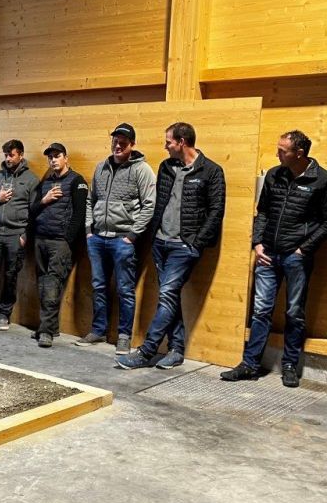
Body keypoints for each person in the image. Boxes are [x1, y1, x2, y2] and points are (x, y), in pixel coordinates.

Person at [221, 130, 327, 387]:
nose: (278, 153)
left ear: (299, 153)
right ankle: (250, 364)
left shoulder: (324, 180)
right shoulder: (275, 175)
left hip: (296, 256)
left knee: (294, 312)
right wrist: (257, 242)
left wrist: (304, 249)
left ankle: (289, 366)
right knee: (260, 310)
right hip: (268, 254)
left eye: (283, 150)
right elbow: (262, 211)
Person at [117, 122, 226, 369]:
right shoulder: (166, 167)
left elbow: (216, 211)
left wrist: (195, 243)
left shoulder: (211, 171)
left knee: (166, 294)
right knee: (170, 294)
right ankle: (176, 350)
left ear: (182, 142)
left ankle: (146, 352)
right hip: (160, 242)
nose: (165, 147)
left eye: (168, 142)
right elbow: (159, 202)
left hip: (184, 246)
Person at [77, 122, 156, 353]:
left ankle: (124, 335)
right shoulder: (101, 167)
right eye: (115, 141)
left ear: (132, 144)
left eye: (123, 142)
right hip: (97, 238)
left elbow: (149, 206)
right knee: (99, 286)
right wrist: (89, 231)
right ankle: (99, 330)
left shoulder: (142, 170)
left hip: (123, 240)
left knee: (125, 289)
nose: (118, 145)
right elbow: (91, 200)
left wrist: (132, 236)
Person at [0, 139, 39, 333]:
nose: (8, 158)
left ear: (20, 154)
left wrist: (25, 235)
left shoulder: (31, 179)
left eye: (11, 155)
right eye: (5, 155)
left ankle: (4, 314)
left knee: (11, 276)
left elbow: (35, 211)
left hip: (15, 235)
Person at [29, 142, 88, 348]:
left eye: (57, 156)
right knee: (43, 285)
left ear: (66, 158)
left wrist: (67, 240)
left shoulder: (77, 181)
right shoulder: (45, 182)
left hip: (59, 243)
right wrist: (44, 200)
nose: (53, 160)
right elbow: (33, 210)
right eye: (50, 157)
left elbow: (80, 214)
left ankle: (46, 331)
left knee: (52, 286)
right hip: (40, 239)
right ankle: (50, 326)